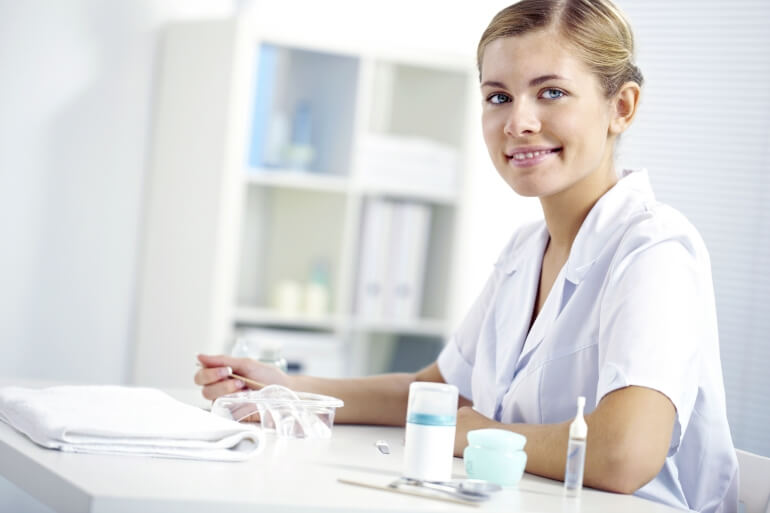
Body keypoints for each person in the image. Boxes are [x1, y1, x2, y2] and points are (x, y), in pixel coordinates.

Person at [195, 1, 738, 511]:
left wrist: (478, 433)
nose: (518, 122)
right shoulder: (526, 249)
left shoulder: (654, 251)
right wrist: (291, 390)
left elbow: (624, 454)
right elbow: (439, 392)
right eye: (498, 97)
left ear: (621, 107)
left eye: (551, 92)